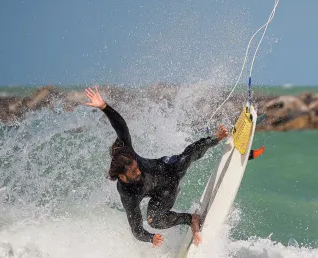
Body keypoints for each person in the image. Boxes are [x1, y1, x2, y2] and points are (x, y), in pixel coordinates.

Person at [84, 86, 229, 247]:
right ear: (122, 176)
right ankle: (191, 220)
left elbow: (121, 127)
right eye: (133, 171)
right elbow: (136, 229)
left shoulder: (127, 152)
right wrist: (150, 238)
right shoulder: (128, 196)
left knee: (184, 159)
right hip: (164, 194)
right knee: (154, 220)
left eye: (136, 166)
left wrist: (104, 107)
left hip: (168, 168)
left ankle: (216, 138)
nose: (138, 171)